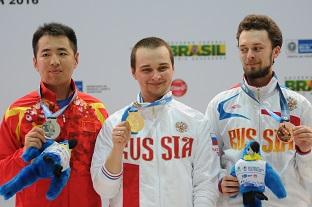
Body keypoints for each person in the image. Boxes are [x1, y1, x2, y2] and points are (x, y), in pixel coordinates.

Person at [91, 37, 220, 207]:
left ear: (173, 68)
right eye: (146, 70)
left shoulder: (196, 122)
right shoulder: (114, 124)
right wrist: (117, 149)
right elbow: (105, 190)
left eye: (163, 67)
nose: (156, 76)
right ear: (133, 72)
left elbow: (206, 185)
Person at [205, 14, 312, 207]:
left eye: (257, 48)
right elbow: (205, 164)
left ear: (276, 51)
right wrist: (220, 181)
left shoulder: (299, 105)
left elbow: (309, 176)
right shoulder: (219, 105)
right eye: (244, 49)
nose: (249, 55)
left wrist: (306, 152)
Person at [0, 23, 108, 207]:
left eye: (62, 53)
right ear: (35, 62)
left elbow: (107, 169)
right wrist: (23, 154)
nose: (54, 61)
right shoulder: (17, 112)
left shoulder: (96, 109)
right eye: (46, 54)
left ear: (76, 59)